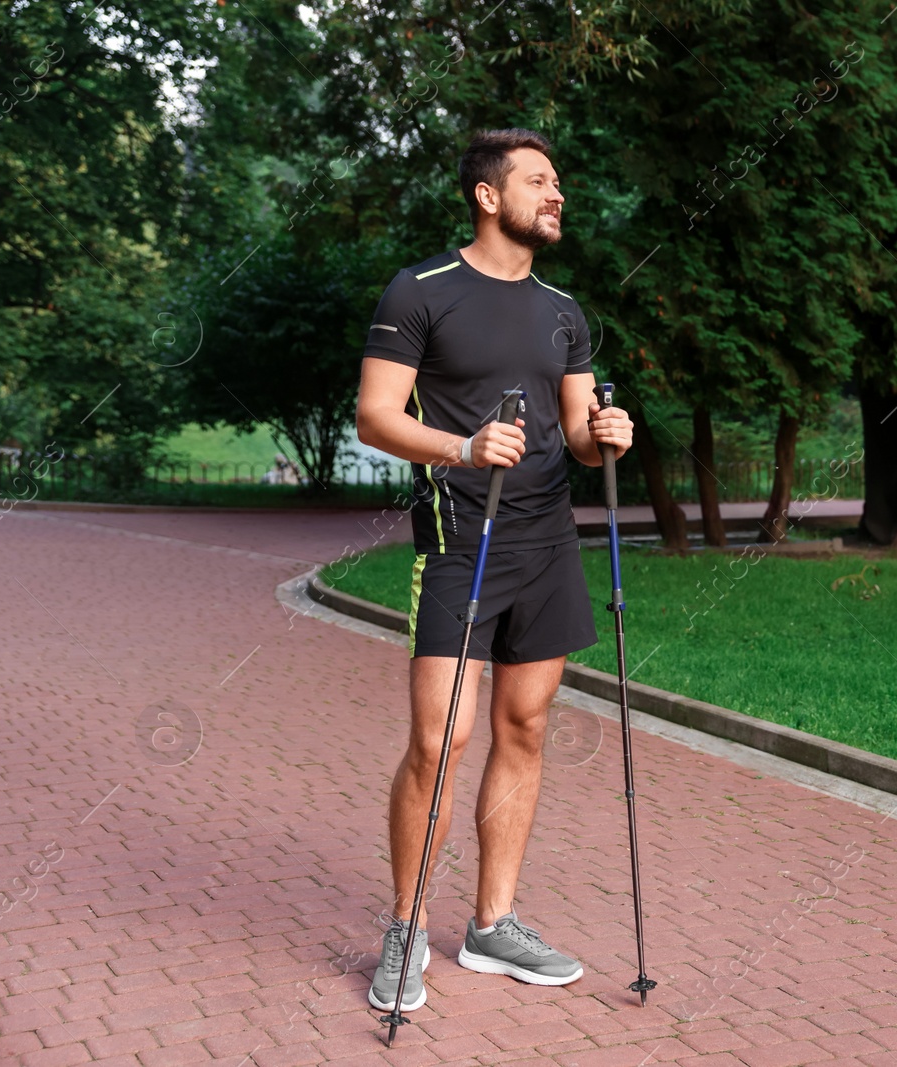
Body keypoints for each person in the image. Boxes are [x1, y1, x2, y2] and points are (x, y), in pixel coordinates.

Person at [354, 127, 633, 1013]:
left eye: (559, 183)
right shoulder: (420, 291)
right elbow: (374, 415)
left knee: (525, 727)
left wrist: (606, 436)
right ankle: (405, 929)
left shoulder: (564, 311)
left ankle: (492, 924)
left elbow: (582, 437)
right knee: (442, 740)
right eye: (540, 182)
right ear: (487, 194)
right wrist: (463, 448)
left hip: (548, 542)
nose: (557, 195)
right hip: (458, 536)